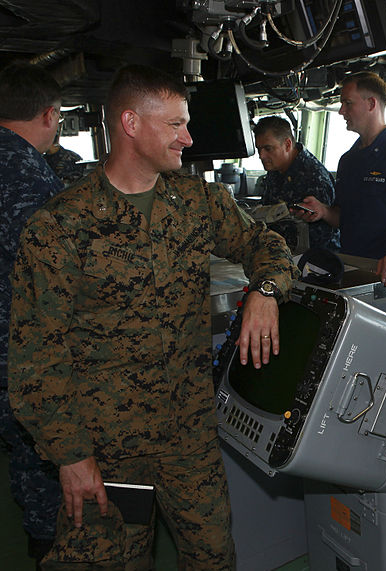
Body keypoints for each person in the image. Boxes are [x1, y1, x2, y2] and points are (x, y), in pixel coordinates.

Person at [8, 64, 298, 569]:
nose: (188, 137)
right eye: (174, 124)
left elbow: (263, 243)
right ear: (131, 124)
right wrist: (71, 456)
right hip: (105, 444)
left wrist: (266, 292)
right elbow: (37, 356)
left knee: (212, 557)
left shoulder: (196, 202)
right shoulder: (59, 226)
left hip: (189, 434)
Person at [296, 71, 386, 314]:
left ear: (371, 103)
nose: (341, 111)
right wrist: (323, 211)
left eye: (347, 103)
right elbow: (345, 217)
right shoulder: (349, 160)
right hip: (351, 272)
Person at [0, 61, 65, 565]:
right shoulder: (28, 177)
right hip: (23, 353)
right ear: (50, 114)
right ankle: (53, 548)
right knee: (44, 460)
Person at [252, 115, 340, 251]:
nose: (261, 156)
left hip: (314, 262)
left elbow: (320, 238)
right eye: (259, 149)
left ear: (287, 145)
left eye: (268, 149)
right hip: (280, 253)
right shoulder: (276, 169)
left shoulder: (314, 177)